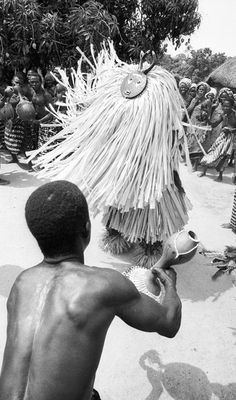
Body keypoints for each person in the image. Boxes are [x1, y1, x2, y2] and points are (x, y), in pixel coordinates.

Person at [0, 180, 182, 400]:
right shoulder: (103, 284)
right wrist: (170, 287)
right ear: (87, 229)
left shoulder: (22, 283)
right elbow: (169, 323)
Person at [200, 97, 236, 182]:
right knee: (212, 151)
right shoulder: (223, 115)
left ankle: (220, 176)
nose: (225, 108)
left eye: (228, 106)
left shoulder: (235, 115)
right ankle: (204, 171)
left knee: (224, 156)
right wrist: (207, 119)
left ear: (232, 106)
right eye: (224, 106)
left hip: (231, 138)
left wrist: (231, 130)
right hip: (222, 136)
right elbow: (214, 124)